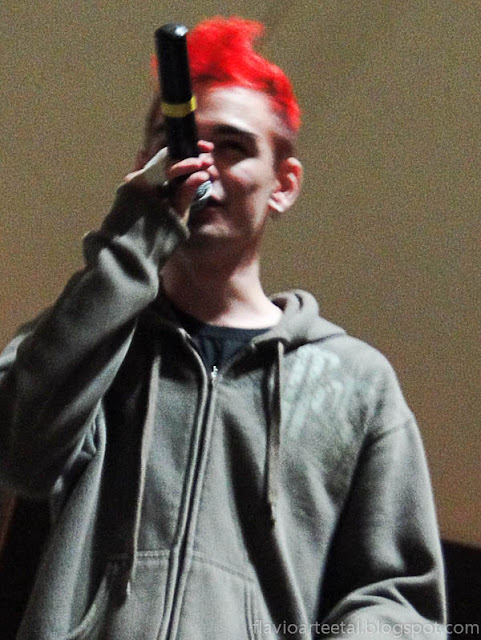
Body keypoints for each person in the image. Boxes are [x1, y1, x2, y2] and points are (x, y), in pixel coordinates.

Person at [0, 16, 446, 640]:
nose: (201, 166)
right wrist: (135, 237)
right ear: (146, 166)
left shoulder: (355, 383)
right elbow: (18, 456)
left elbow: (400, 604)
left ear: (283, 185)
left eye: (232, 146)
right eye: (179, 142)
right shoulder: (91, 335)